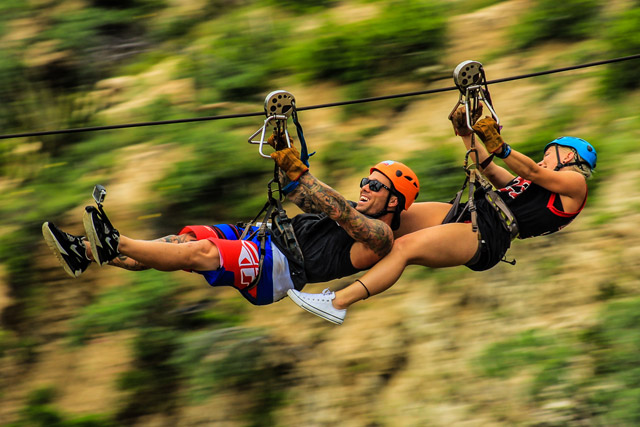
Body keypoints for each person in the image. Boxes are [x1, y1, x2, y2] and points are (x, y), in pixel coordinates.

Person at [287, 106, 597, 324]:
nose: (543, 159)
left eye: (549, 153)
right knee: (383, 216)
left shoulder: (575, 184)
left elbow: (527, 167)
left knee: (403, 248)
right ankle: (306, 248)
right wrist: (466, 134)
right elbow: (489, 168)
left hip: (489, 232)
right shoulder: (532, 185)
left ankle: (338, 303)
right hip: (471, 211)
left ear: (567, 156)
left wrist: (500, 145)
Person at [42, 134, 420, 307]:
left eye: (376, 185)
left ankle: (114, 241)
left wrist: (298, 169)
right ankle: (85, 252)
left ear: (395, 200)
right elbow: (307, 196)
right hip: (266, 236)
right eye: (365, 181)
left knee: (202, 252)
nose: (365, 187)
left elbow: (339, 209)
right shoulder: (348, 210)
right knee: (178, 243)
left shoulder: (380, 237)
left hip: (280, 268)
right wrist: (283, 149)